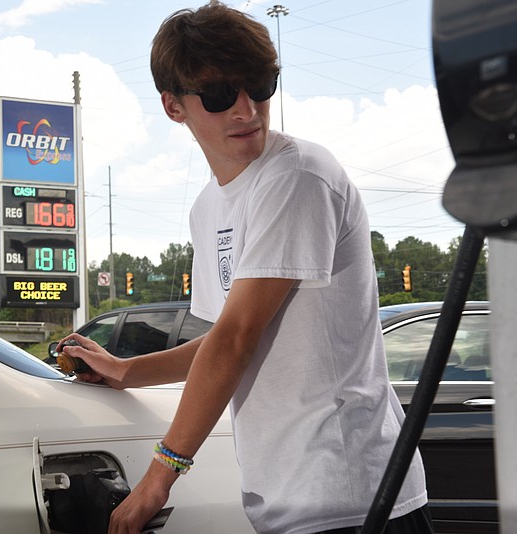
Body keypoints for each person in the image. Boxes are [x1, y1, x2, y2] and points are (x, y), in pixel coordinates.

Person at [57, 3, 432, 533]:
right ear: (173, 106)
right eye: (217, 94)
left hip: (353, 491)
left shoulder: (298, 175)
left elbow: (235, 339)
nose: (246, 110)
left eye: (259, 85)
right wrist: (129, 370)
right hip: (283, 496)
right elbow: (222, 341)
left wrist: (158, 479)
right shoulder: (208, 208)